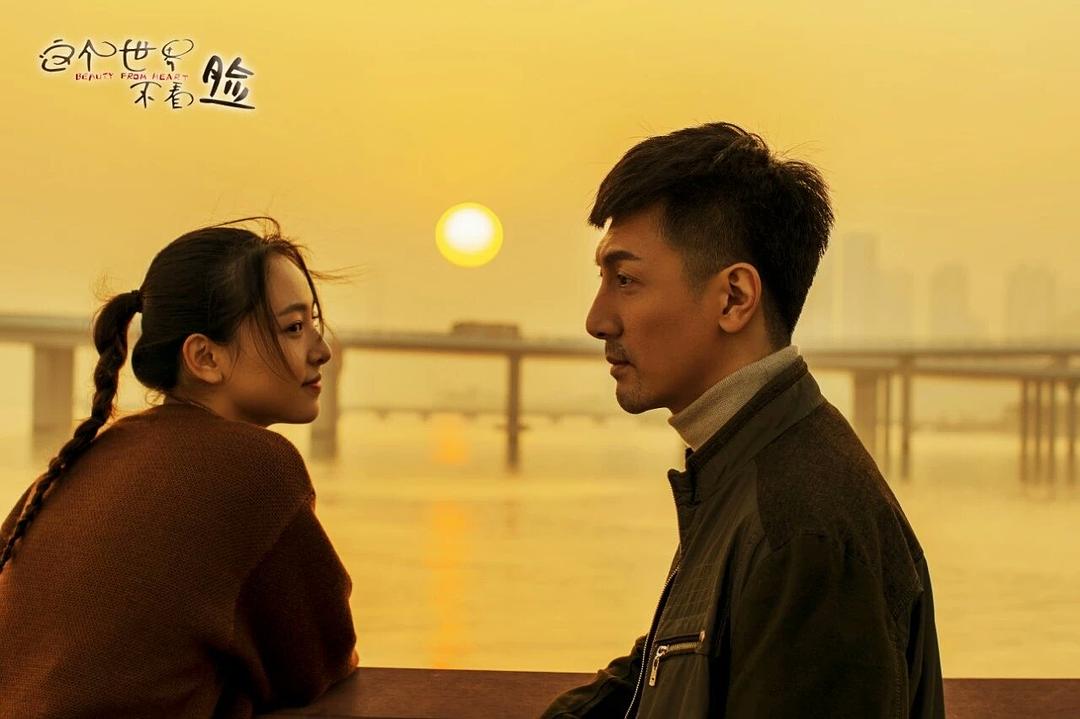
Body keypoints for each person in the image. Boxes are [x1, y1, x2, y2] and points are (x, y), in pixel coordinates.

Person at [542, 123, 944, 718]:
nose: (597, 319)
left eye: (625, 280)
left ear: (733, 298)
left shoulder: (801, 531)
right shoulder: (738, 473)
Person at [0, 218, 358, 718]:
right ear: (205, 357)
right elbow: (318, 662)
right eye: (294, 328)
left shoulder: (91, 455)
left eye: (313, 325)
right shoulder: (256, 466)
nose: (322, 350)